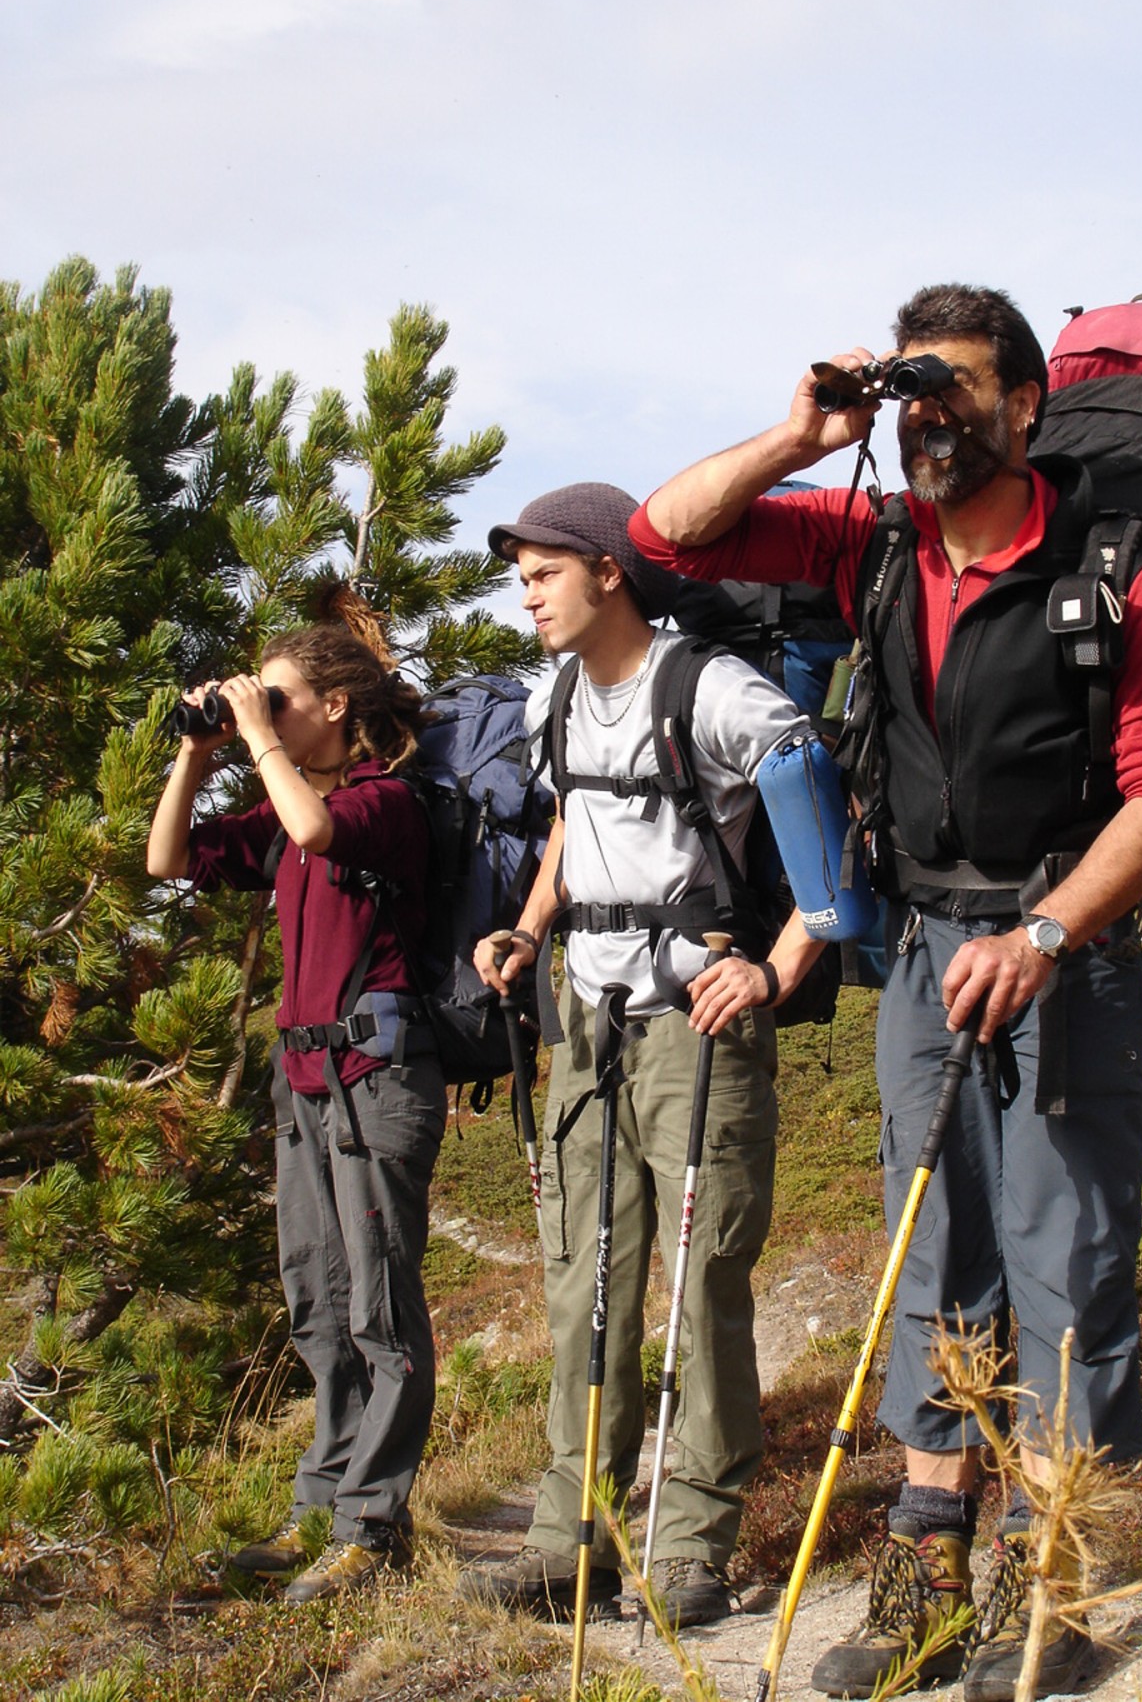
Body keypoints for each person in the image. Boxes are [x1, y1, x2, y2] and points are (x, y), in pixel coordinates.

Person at [630, 286, 1142, 1699]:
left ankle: (1051, 1569)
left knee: (1063, 1252)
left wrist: (1052, 936)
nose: (928, 416)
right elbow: (666, 534)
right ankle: (927, 1561)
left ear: (1027, 406)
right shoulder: (872, 549)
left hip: (1057, 954)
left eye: (956, 387)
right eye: (912, 394)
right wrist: (798, 433)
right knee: (929, 1238)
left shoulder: (1115, 568)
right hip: (919, 939)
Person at [457, 481, 821, 1628]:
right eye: (519, 578)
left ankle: (692, 1547)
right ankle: (577, 1537)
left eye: (543, 573)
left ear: (608, 568)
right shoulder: (551, 696)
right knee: (585, 1281)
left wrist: (778, 963)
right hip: (585, 1018)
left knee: (701, 1275)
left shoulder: (705, 687)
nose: (526, 596)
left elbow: (821, 799)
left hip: (696, 1018)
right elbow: (572, 818)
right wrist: (529, 923)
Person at [147, 624, 444, 1603]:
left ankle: (374, 1526)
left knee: (379, 1308)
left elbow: (318, 832)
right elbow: (166, 859)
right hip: (304, 1082)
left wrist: (256, 739)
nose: (258, 714)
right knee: (319, 1303)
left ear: (335, 706)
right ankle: (321, 1504)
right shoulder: (287, 814)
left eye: (276, 697)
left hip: (374, 1076)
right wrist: (198, 753)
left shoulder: (384, 804)